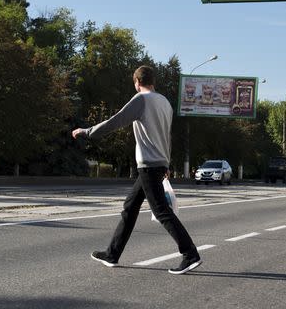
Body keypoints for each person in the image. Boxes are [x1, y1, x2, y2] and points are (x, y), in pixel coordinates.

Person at [71, 65, 202, 275]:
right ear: (153, 81)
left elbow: (115, 121)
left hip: (149, 164)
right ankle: (112, 254)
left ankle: (190, 254)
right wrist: (166, 163)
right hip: (157, 163)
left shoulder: (141, 100)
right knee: (130, 207)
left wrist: (87, 131)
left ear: (137, 82)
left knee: (161, 211)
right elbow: (167, 137)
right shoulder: (165, 102)